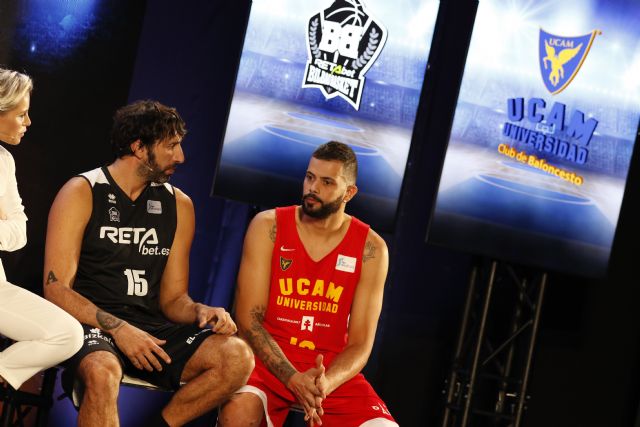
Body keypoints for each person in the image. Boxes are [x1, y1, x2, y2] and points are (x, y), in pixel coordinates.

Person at [43, 100, 254, 427]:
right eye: (171, 146)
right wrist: (120, 329)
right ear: (139, 147)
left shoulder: (179, 204)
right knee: (103, 371)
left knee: (237, 357)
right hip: (90, 325)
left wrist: (200, 311)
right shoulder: (82, 191)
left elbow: (172, 300)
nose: (181, 156)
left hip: (149, 329)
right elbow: (55, 289)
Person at [218, 141, 398, 426]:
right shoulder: (268, 226)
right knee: (238, 414)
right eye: (310, 177)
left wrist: (324, 384)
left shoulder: (372, 248)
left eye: (327, 182)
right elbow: (248, 319)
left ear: (349, 193)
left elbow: (361, 344)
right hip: (267, 363)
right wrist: (291, 378)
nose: (313, 188)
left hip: (327, 374)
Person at [0, 67, 84, 390]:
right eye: (21, 115)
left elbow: (20, 231)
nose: (28, 122)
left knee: (68, 334)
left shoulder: (4, 161)